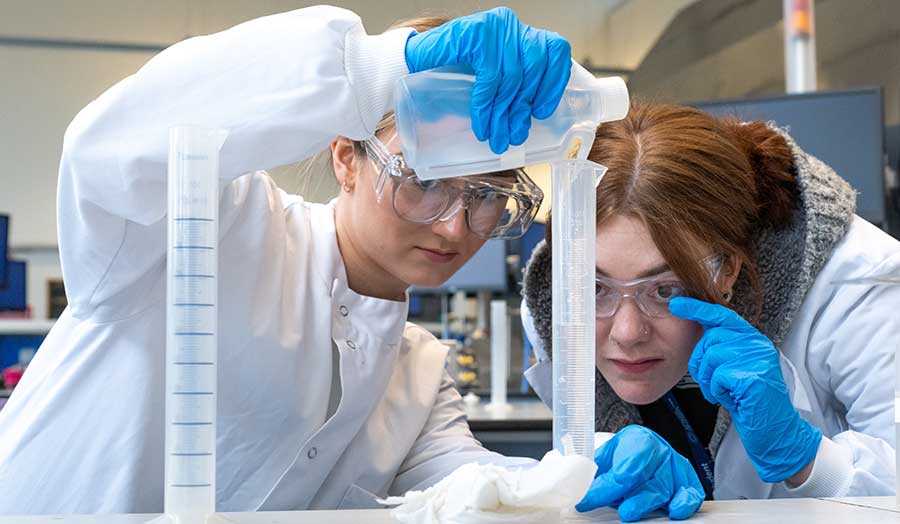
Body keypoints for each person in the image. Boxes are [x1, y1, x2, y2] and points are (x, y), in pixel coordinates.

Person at [0, 6, 576, 514]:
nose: (454, 226)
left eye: (486, 195)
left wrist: (584, 480)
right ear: (347, 157)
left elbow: (479, 489)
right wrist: (374, 72)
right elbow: (109, 150)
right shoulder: (215, 222)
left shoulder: (418, 375)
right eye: (425, 179)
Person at [522, 101, 899, 521]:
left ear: (727, 269)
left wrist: (805, 458)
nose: (627, 333)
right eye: (596, 287)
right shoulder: (554, 302)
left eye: (664, 289)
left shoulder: (861, 285)